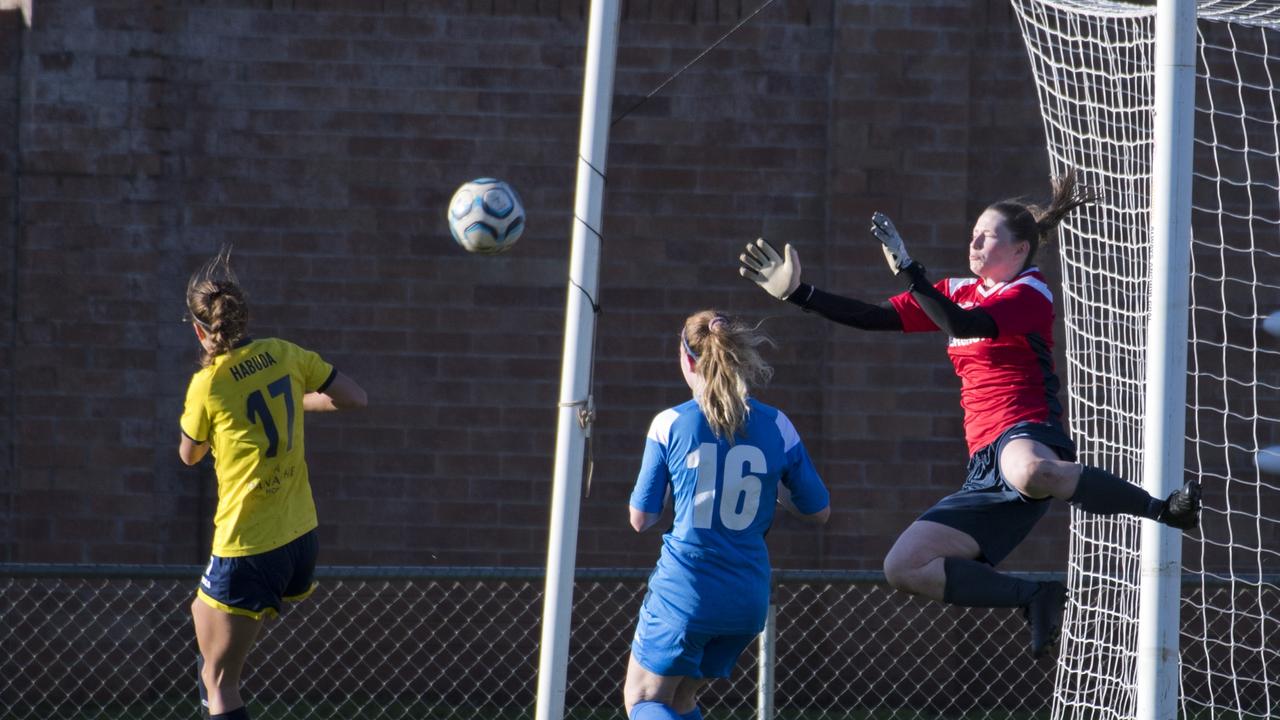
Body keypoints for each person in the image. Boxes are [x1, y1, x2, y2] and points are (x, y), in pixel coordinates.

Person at [737, 170, 1201, 658]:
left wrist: (910, 271)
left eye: (987, 236)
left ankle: (1165, 510)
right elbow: (874, 317)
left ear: (1019, 250)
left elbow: (965, 324)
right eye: (973, 234)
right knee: (904, 566)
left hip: (1025, 431)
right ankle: (1036, 596)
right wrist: (798, 293)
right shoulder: (956, 289)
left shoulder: (1031, 291)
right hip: (982, 467)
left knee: (1030, 467)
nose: (974, 242)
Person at [178, 249, 367, 720]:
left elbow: (189, 454)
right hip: (300, 539)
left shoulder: (209, 384)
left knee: (220, 681)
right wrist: (289, 402)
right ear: (244, 320)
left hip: (247, 545)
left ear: (201, 330)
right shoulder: (283, 354)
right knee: (202, 618)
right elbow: (354, 398)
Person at [624, 310, 831, 720]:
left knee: (644, 700)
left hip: (688, 591)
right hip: (746, 597)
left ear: (687, 360)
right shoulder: (777, 424)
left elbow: (641, 518)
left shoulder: (670, 424)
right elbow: (818, 510)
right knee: (681, 701)